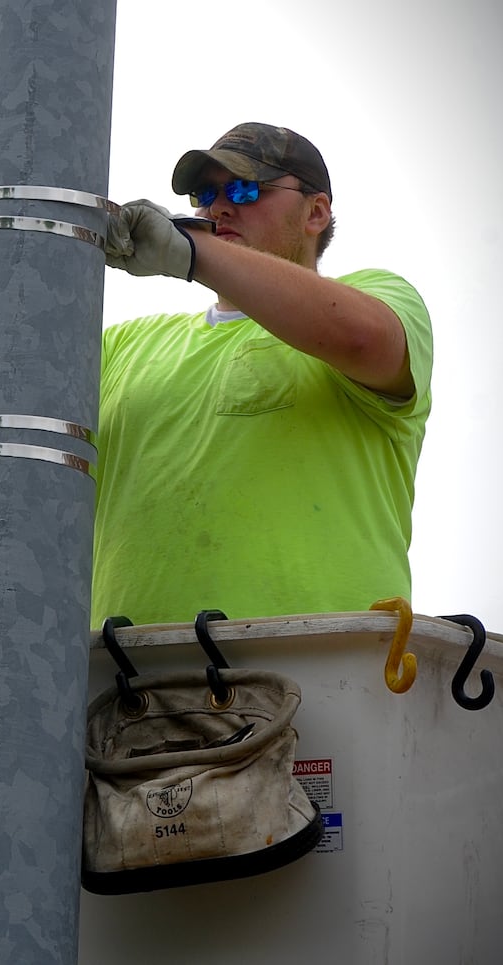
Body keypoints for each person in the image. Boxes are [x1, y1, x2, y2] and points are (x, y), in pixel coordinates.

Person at [93, 121, 432, 626]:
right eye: (206, 193)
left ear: (316, 212)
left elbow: (366, 340)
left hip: (315, 673)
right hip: (128, 681)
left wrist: (193, 252)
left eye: (245, 189)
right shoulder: (124, 346)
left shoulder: (379, 297)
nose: (219, 207)